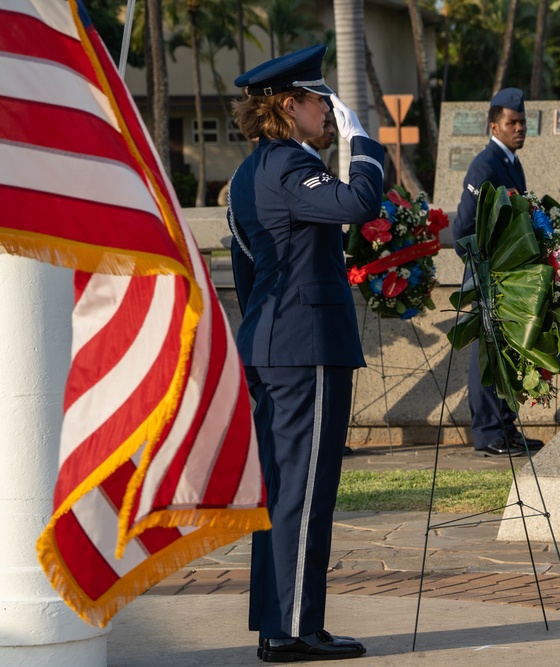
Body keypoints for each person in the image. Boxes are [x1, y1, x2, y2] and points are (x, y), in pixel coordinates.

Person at [227, 44, 384, 662]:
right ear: (289, 106)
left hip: (275, 342)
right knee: (304, 491)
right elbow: (357, 205)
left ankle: (283, 623)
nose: (330, 109)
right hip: (304, 347)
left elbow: (246, 269)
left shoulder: (250, 171)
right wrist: (363, 145)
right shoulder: (291, 166)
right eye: (321, 99)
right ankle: (292, 630)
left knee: (284, 491)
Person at [453, 87, 544, 457]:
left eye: (522, 122)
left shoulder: (510, 161)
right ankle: (488, 431)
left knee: (506, 353)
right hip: (489, 275)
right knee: (488, 356)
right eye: (512, 122)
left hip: (508, 276)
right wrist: (484, 267)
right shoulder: (485, 164)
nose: (519, 128)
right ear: (494, 125)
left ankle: (505, 427)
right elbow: (462, 228)